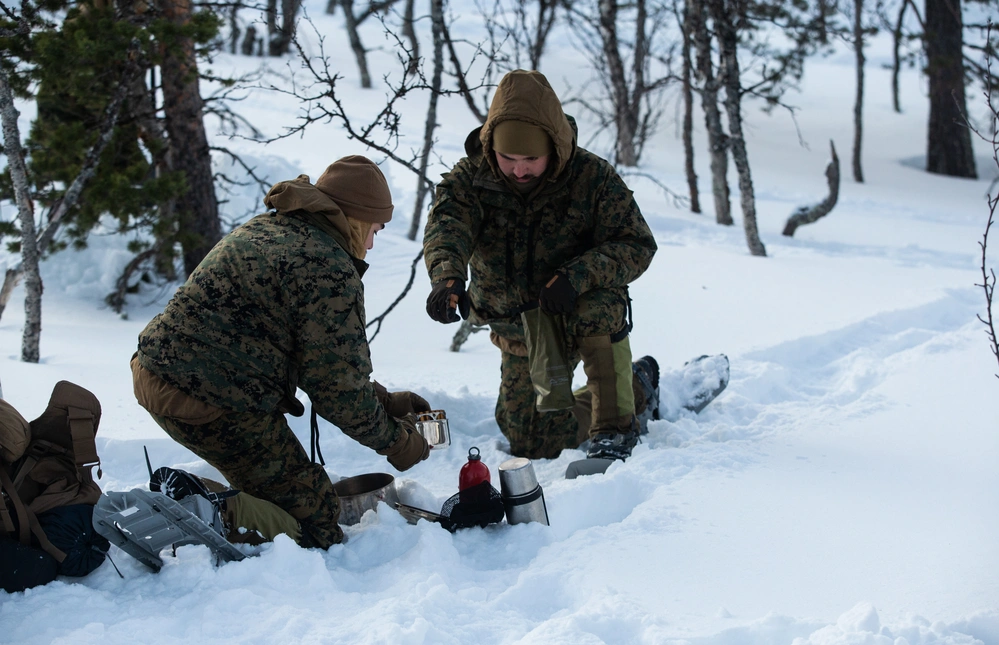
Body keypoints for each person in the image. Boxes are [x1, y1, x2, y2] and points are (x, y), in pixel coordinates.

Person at [132, 156, 432, 549]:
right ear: (354, 219)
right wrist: (400, 444)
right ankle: (201, 506)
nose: (372, 243)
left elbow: (324, 366)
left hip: (157, 371)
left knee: (283, 487)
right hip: (209, 399)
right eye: (374, 229)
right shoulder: (327, 266)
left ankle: (210, 503)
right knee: (316, 523)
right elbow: (339, 395)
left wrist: (386, 401)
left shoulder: (273, 226)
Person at [422, 70, 660, 462]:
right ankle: (636, 386)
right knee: (534, 443)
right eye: (507, 158)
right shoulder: (471, 179)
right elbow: (448, 227)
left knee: (598, 308)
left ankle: (615, 427)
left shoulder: (592, 178)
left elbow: (636, 244)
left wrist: (576, 277)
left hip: (577, 311)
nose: (519, 170)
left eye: (531, 158)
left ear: (554, 146)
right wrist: (447, 277)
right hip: (517, 326)